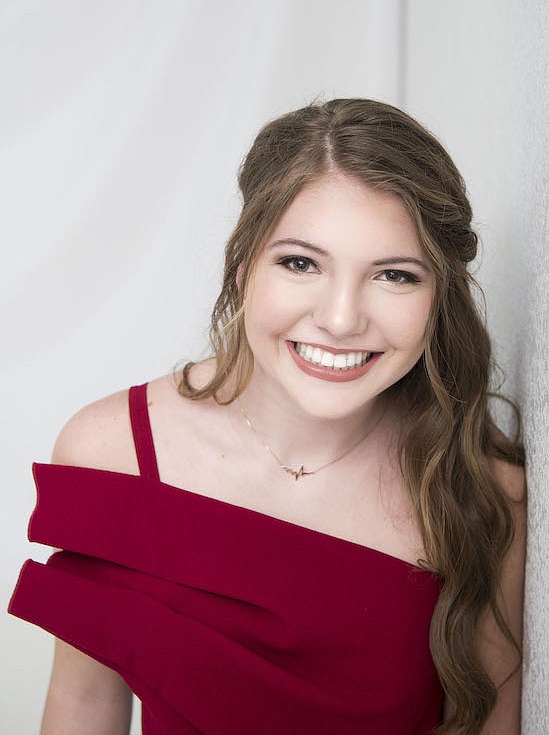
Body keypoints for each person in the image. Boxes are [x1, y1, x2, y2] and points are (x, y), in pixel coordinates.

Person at [8, 98, 526, 735]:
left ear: (440, 296)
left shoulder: (483, 488)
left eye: (394, 275)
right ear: (243, 263)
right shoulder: (111, 451)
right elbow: (84, 706)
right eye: (300, 263)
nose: (340, 319)